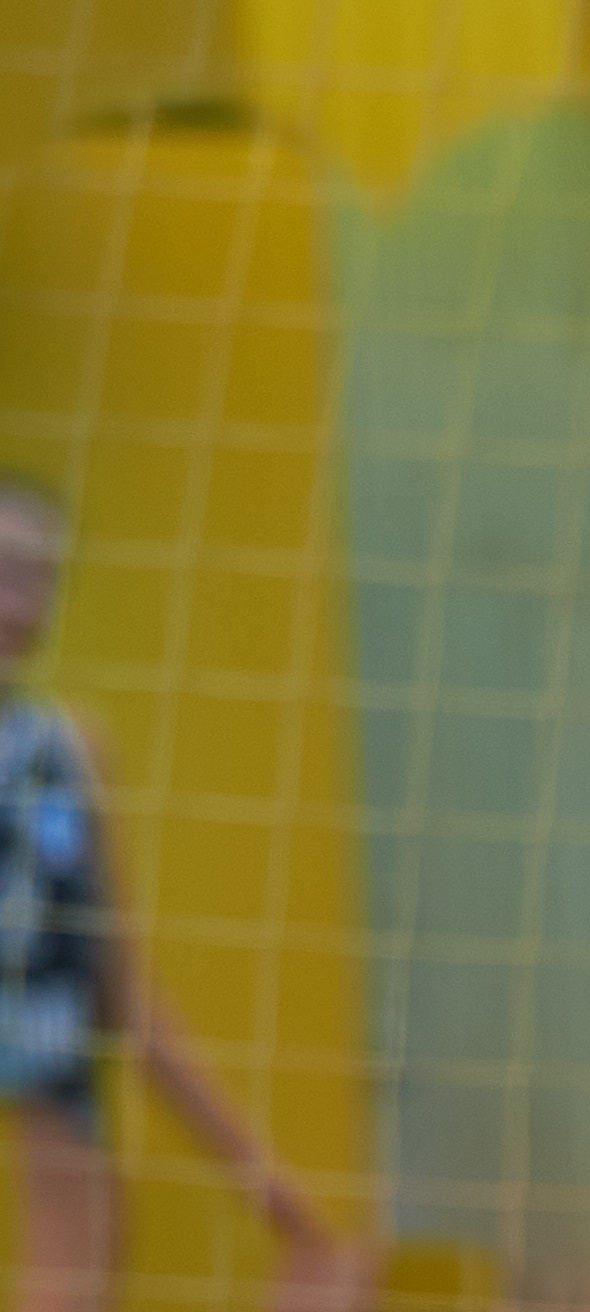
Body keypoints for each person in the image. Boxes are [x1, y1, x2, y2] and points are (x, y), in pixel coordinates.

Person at [0, 471, 370, 1312]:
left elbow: (122, 990)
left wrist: (267, 1185)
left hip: (61, 1132)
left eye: (38, 575)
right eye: (0, 568)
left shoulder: (69, 752)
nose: (17, 600)